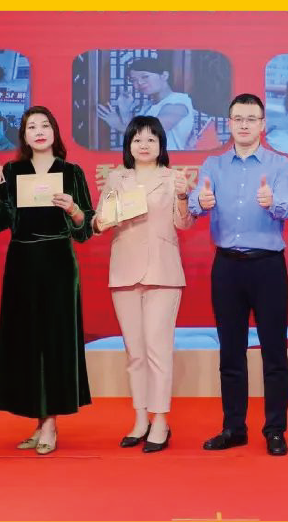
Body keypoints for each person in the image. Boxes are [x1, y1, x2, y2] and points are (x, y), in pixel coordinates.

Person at [188, 93, 288, 456]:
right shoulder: (213, 164)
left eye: (252, 119)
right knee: (231, 352)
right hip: (227, 267)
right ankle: (234, 427)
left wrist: (272, 203)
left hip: (268, 267)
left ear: (263, 125)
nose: (245, 125)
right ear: (229, 123)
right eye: (238, 119)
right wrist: (200, 202)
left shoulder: (280, 164)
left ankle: (275, 429)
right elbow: (196, 203)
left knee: (274, 352)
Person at [0, 106, 95, 455]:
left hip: (59, 262)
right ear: (24, 136)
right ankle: (38, 419)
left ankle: (50, 425)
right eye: (32, 126)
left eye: (45, 125)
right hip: (22, 262)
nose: (39, 131)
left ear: (55, 132)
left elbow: (85, 229)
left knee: (55, 340)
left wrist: (72, 209)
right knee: (26, 341)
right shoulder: (11, 171)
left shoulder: (71, 172)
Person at [93, 116, 193, 453]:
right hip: (124, 270)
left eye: (151, 139)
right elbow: (98, 222)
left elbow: (183, 223)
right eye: (137, 139)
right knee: (135, 352)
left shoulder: (172, 178)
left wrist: (183, 196)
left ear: (162, 144)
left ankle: (160, 420)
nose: (144, 145)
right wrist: (109, 216)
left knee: (157, 349)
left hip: (163, 271)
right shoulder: (117, 177)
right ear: (129, 145)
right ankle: (140, 419)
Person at [97, 56, 195, 151]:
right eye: (134, 80)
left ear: (164, 75)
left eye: (145, 76)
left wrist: (117, 124)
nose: (139, 82)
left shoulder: (178, 102)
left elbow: (153, 132)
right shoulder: (148, 105)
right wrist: (125, 110)